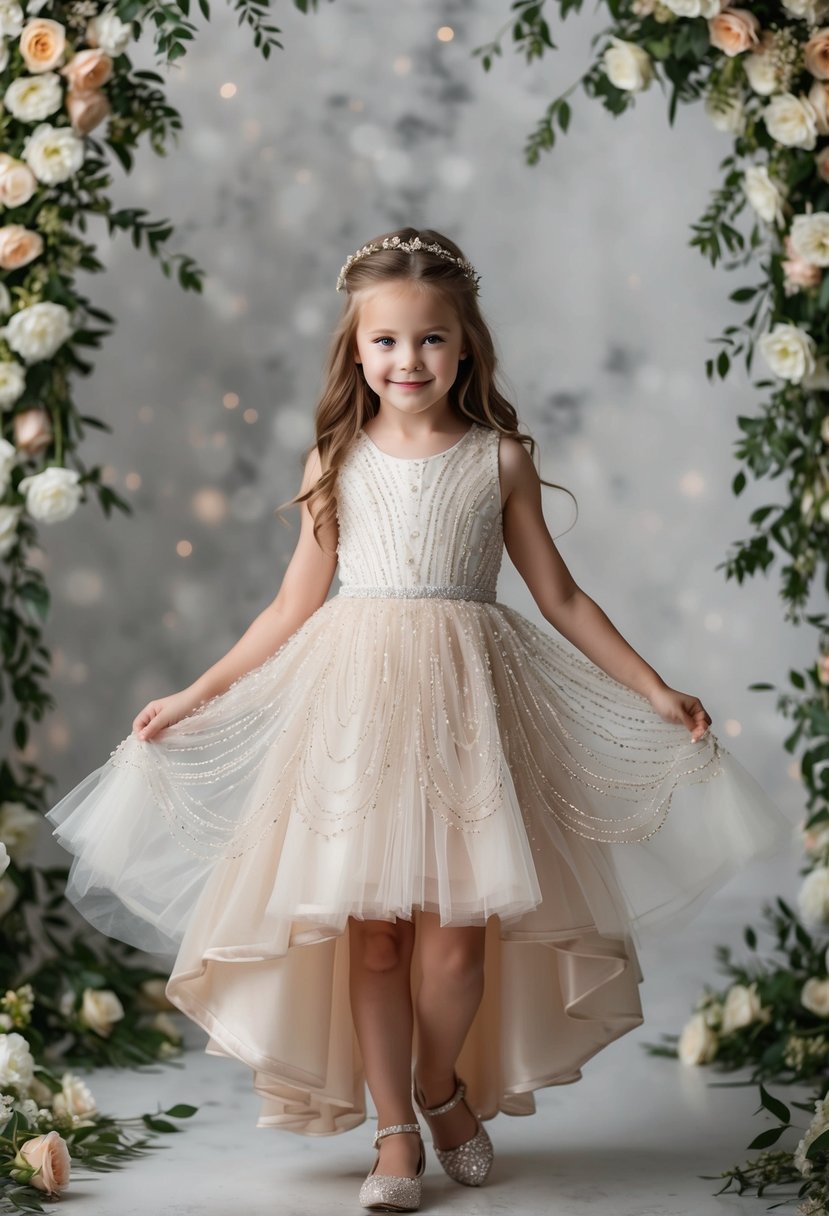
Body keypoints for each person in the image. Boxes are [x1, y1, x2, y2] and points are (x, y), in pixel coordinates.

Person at [45, 227, 793, 1213]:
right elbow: (287, 608)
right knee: (378, 941)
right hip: (353, 715)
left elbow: (562, 599)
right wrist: (194, 696)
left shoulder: (500, 460)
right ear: (357, 351)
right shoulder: (336, 457)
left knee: (453, 946)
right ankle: (395, 1130)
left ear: (466, 346)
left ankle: (440, 1084)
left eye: (431, 340)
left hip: (465, 718)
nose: (409, 361)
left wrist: (654, 687)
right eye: (388, 342)